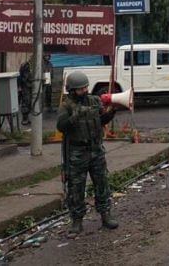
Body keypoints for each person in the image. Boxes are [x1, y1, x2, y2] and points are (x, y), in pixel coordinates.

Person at [57, 71, 119, 237]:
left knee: (102, 183)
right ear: (72, 90)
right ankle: (77, 221)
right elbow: (61, 126)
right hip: (77, 152)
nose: (84, 90)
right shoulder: (67, 106)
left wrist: (111, 112)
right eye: (80, 89)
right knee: (76, 187)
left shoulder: (94, 100)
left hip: (96, 149)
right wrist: (75, 116)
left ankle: (105, 215)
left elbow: (101, 120)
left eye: (85, 87)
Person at [18, 56, 33, 125]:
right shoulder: (25, 65)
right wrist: (20, 87)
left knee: (30, 102)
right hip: (26, 86)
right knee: (26, 101)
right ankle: (24, 118)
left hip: (32, 86)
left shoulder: (35, 65)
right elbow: (23, 77)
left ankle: (27, 118)